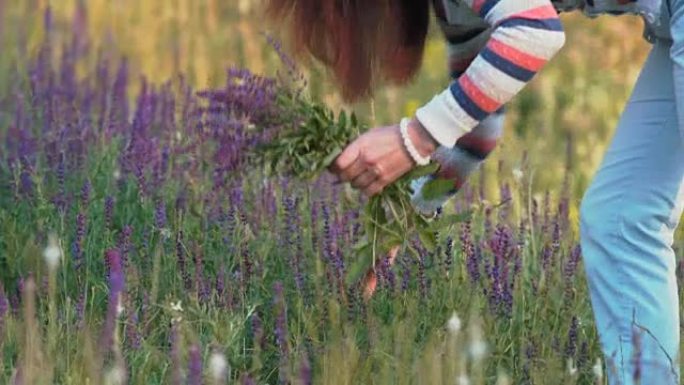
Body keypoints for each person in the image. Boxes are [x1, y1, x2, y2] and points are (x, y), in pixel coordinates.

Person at [266, 1, 684, 384]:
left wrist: (413, 139)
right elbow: (475, 132)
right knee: (620, 220)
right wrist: (407, 215)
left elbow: (533, 30)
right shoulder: (455, 9)